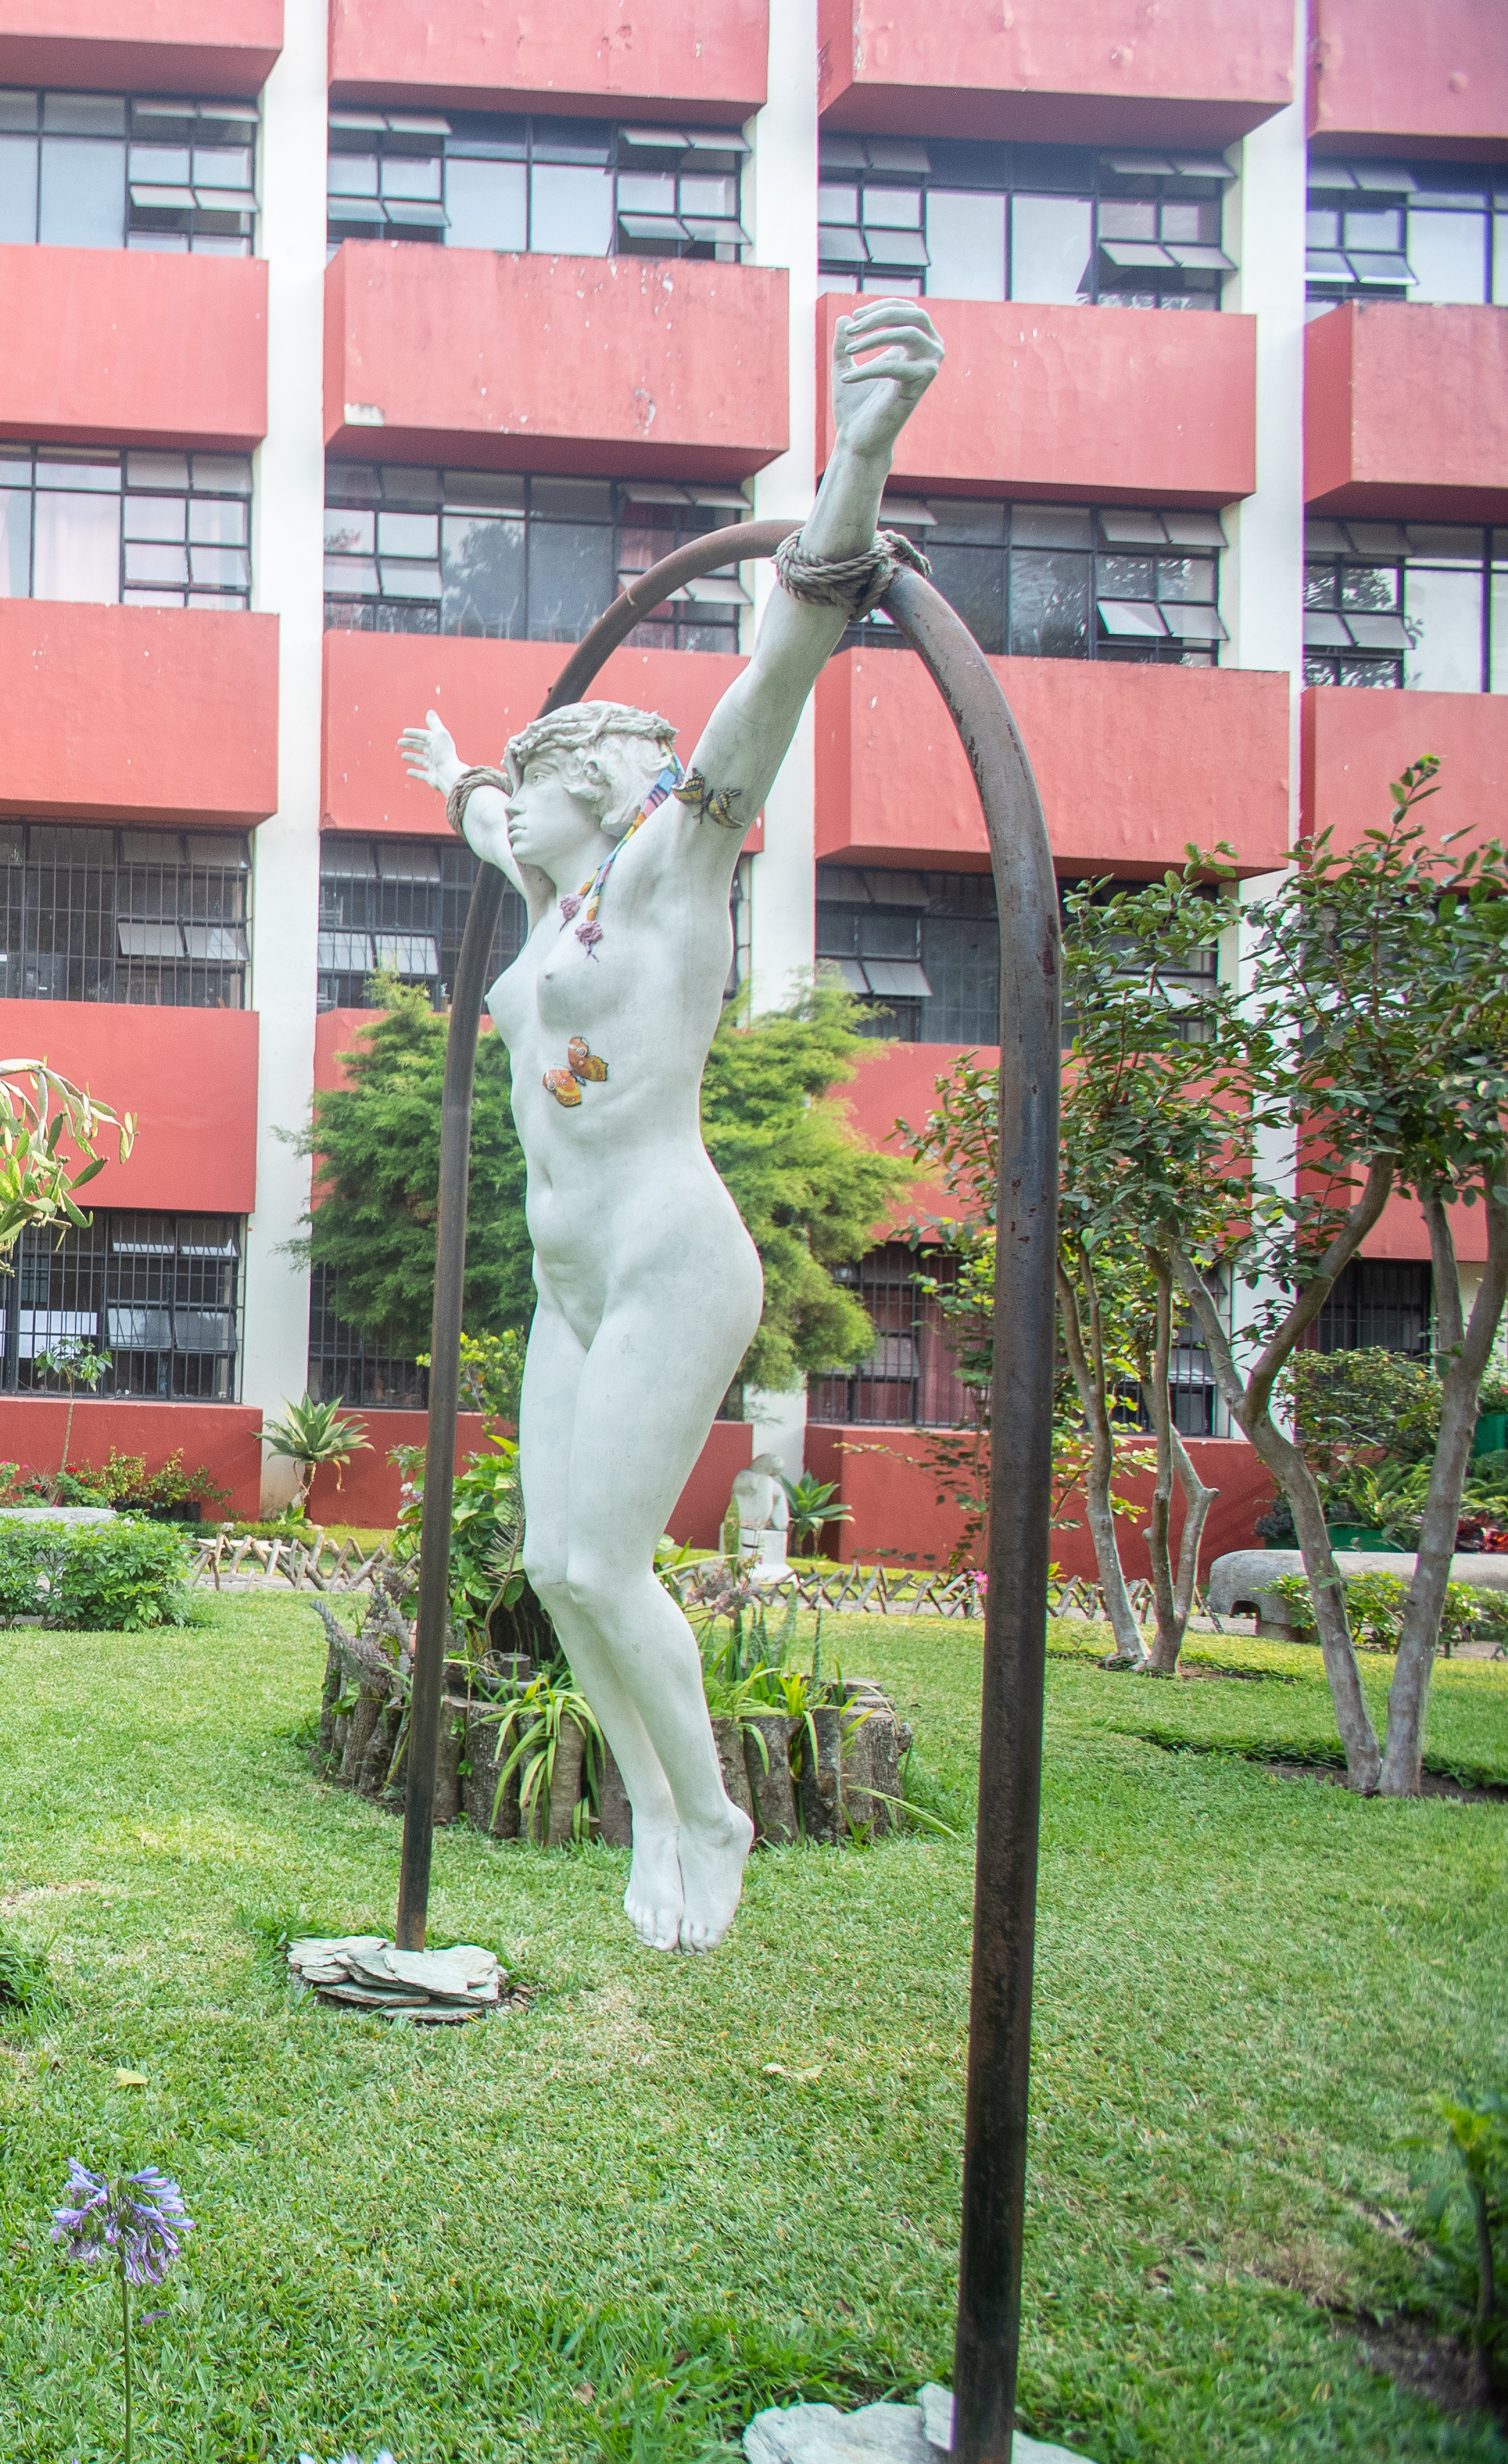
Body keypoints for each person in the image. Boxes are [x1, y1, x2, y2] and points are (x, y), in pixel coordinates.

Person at [395, 296, 947, 1955]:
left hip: (662, 1256)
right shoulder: (548, 896)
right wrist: (446, 779)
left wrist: (855, 451)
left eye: (538, 774)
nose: (528, 789)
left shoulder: (665, 873)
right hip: (569, 1281)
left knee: (612, 1563)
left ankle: (706, 1813)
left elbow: (774, 661)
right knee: (556, 1571)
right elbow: (495, 819)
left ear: (609, 792)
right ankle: (653, 1802)